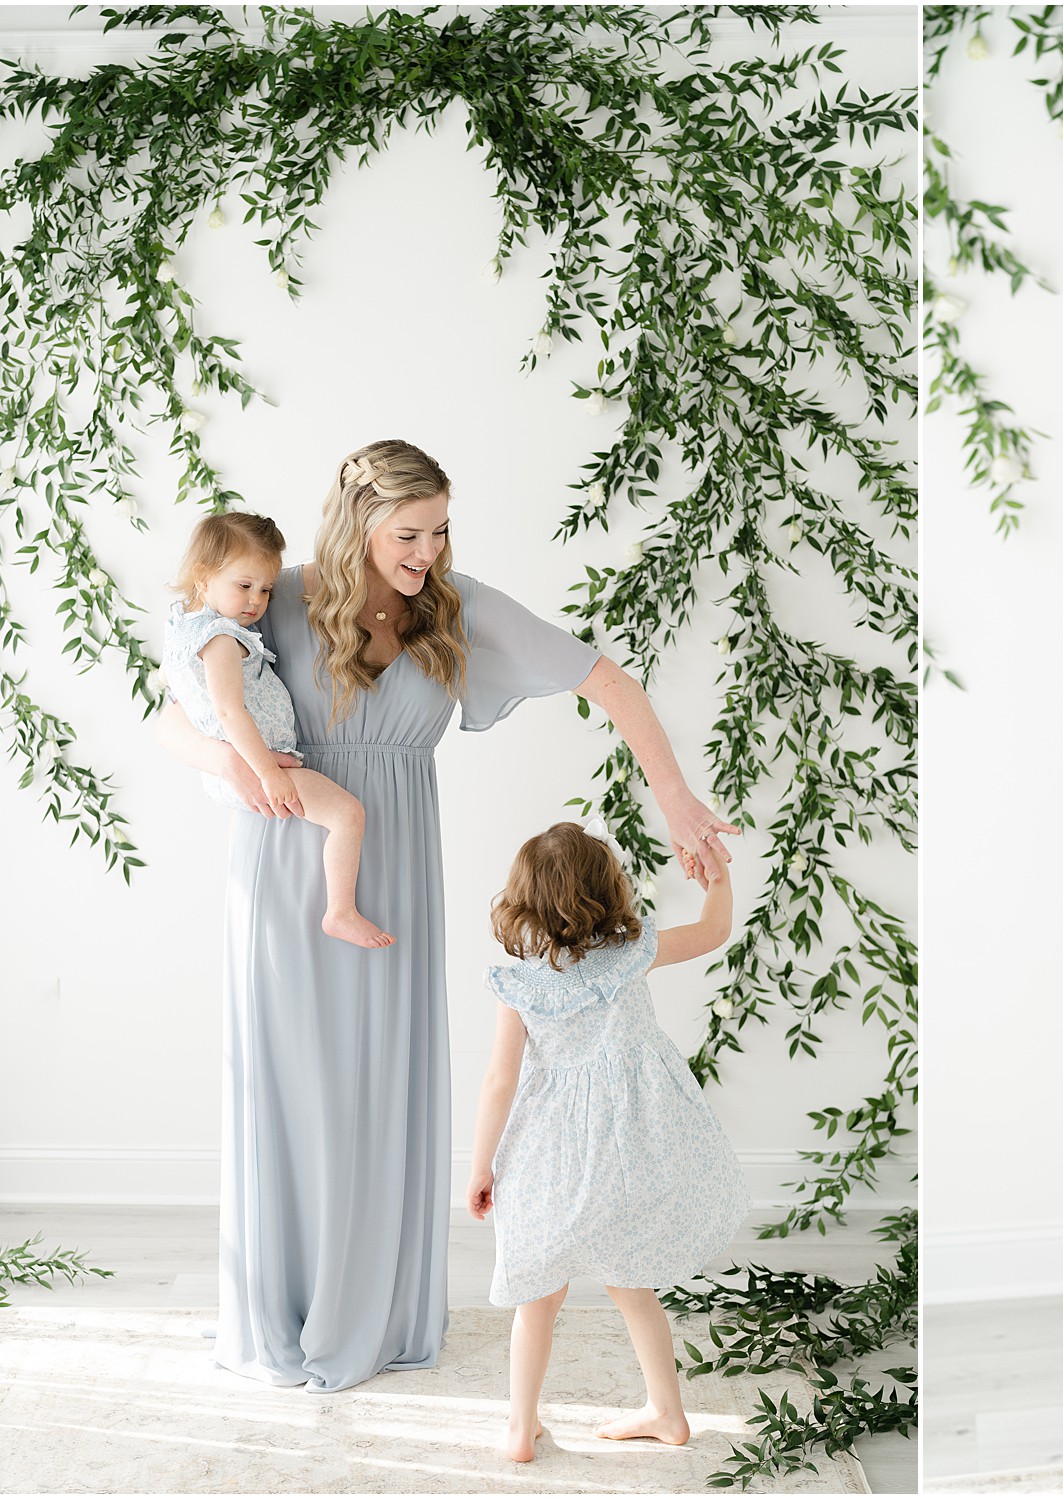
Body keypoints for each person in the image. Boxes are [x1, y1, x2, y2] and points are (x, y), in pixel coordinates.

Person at [155, 438, 738, 1392]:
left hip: (396, 870)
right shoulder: (276, 597)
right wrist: (239, 767)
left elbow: (607, 679)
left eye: (439, 530)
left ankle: (372, 1314)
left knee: (381, 1083)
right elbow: (171, 711)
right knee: (291, 1084)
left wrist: (675, 801)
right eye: (408, 532)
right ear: (360, 523)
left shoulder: (455, 610)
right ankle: (279, 1311)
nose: (427, 551)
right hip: (283, 861)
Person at [468, 820, 748, 1462]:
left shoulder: (522, 983)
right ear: (608, 888)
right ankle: (667, 1412)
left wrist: (481, 1167)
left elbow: (497, 1082)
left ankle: (519, 1428)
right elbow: (713, 932)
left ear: (523, 899)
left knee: (537, 1298)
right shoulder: (633, 953)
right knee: (632, 1283)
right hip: (630, 1155)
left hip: (552, 1159)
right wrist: (719, 882)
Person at [161, 511, 392, 949]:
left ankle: (246, 900)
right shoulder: (221, 639)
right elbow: (231, 713)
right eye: (244, 585)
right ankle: (340, 910)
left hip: (242, 767)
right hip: (258, 765)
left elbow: (175, 684)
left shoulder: (182, 625)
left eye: (266, 589)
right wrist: (267, 771)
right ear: (203, 577)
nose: (256, 600)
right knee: (347, 815)